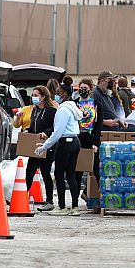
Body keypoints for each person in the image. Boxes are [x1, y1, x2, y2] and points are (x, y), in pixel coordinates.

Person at [35, 83, 83, 216]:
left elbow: (57, 133)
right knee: (71, 174)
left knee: (59, 174)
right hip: (75, 142)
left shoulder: (62, 110)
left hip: (65, 143)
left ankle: (62, 206)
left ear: (64, 94)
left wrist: (44, 146)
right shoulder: (73, 108)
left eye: (58, 92)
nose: (55, 95)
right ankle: (75, 206)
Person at [23, 85, 57, 212]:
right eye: (33, 95)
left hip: (47, 145)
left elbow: (55, 127)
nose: (34, 98)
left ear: (43, 97)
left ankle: (49, 200)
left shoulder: (51, 111)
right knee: (29, 171)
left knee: (45, 172)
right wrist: (27, 131)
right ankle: (21, 196)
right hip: (35, 145)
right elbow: (32, 127)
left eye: (36, 95)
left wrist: (46, 133)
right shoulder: (35, 111)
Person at [74, 78, 103, 202]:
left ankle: (103, 197)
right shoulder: (74, 103)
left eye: (85, 88)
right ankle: (74, 200)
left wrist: (96, 143)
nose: (83, 90)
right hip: (77, 138)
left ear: (90, 89)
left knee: (96, 169)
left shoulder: (96, 105)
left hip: (91, 138)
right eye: (81, 88)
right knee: (77, 171)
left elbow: (98, 126)